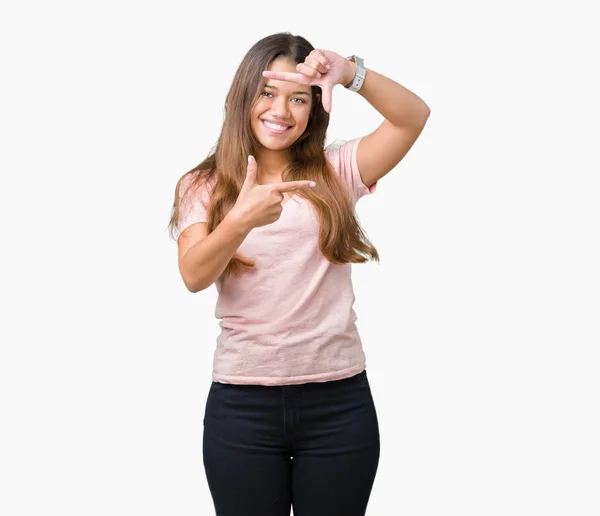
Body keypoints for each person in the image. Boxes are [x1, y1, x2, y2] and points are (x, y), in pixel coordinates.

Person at [168, 32, 430, 516]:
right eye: (268, 93)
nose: (281, 111)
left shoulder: (336, 171)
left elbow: (413, 117)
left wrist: (350, 73)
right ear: (243, 96)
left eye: (298, 98)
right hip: (242, 408)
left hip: (339, 405)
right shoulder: (202, 185)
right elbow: (193, 274)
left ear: (315, 109)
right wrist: (242, 218)